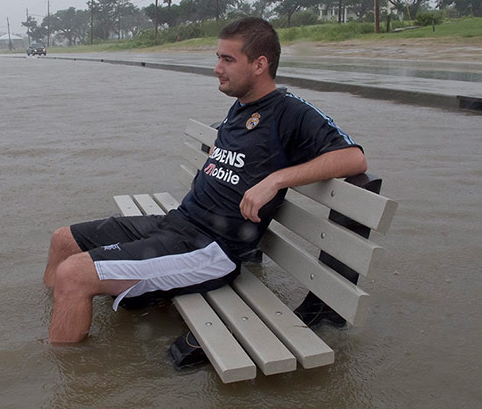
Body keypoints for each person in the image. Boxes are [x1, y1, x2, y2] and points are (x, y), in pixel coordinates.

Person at [43, 17, 367, 344]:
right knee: (63, 240)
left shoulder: (290, 112)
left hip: (212, 250)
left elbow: (354, 157)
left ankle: (61, 368)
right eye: (218, 58)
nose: (217, 68)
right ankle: (57, 316)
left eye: (227, 59)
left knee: (73, 275)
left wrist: (275, 181)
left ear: (260, 64)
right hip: (178, 224)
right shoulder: (240, 109)